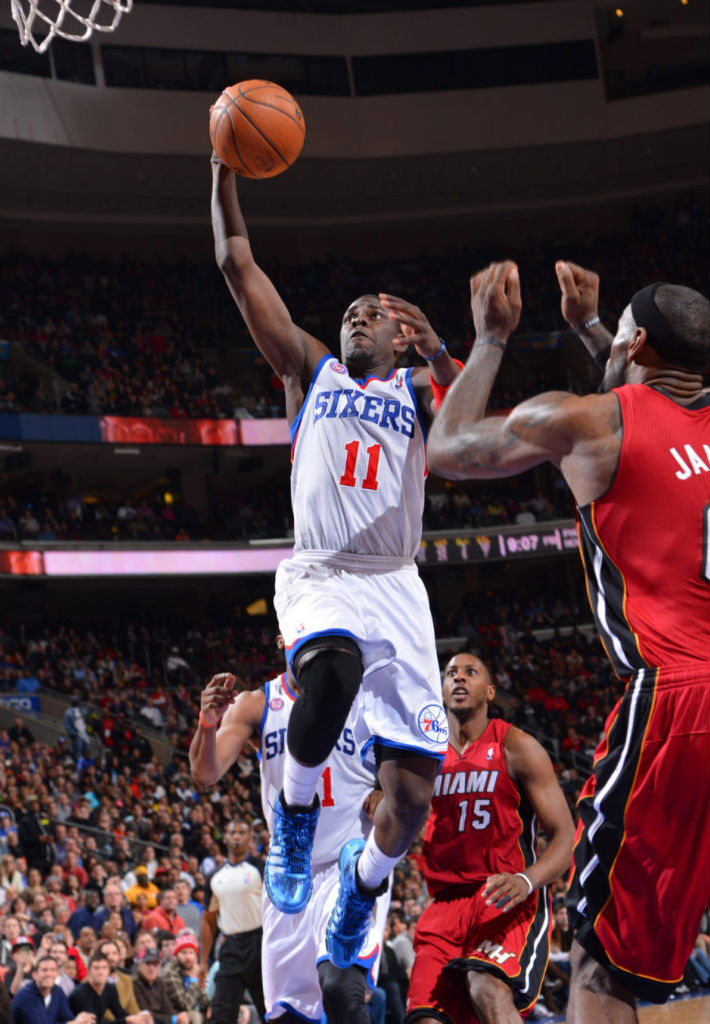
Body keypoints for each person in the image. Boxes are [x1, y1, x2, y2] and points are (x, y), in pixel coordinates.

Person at [426, 260, 710, 1019]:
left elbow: (448, 447)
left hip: (682, 703)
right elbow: (665, 410)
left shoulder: (590, 421)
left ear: (638, 343)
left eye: (616, 333)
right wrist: (595, 328)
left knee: (601, 959)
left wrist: (488, 340)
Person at [209, 153, 459, 965]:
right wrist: (223, 170)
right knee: (333, 670)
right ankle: (295, 811)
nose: (354, 319)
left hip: (397, 584)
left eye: (370, 315)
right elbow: (235, 260)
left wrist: (446, 351)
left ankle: (363, 885)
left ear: (400, 336)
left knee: (412, 796)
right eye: (347, 312)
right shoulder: (307, 370)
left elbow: (469, 432)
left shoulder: (419, 393)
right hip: (321, 572)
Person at [190, 650, 390, 1024]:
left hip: (350, 866)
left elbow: (407, 771)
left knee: (339, 988)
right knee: (289, 1015)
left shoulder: (367, 701)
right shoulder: (258, 703)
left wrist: (384, 789)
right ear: (285, 639)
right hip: (290, 873)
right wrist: (207, 722)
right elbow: (205, 774)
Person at [405, 652, 574, 1024]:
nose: (459, 678)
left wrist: (527, 880)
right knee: (425, 1019)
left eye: (470, 672)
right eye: (451, 673)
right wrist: (380, 795)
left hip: (504, 897)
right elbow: (394, 803)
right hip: (444, 906)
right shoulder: (425, 755)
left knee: (487, 988)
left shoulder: (517, 746)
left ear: (490, 691)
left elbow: (565, 834)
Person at [196, 820, 264, 1024]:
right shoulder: (214, 876)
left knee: (272, 1011)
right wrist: (202, 962)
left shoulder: (261, 868)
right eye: (232, 832)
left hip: (260, 944)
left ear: (250, 837)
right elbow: (208, 919)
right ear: (224, 837)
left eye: (242, 832)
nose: (236, 836)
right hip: (231, 946)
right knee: (221, 1014)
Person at [10, 956, 93, 1024]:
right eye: (44, 970)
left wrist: (82, 1020)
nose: (49, 974)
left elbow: (67, 1017)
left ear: (57, 974)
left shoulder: (58, 991)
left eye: (52, 970)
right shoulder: (24, 996)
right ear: (34, 975)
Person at [159, 934, 209, 1024]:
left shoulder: (190, 968)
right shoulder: (170, 972)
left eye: (191, 953)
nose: (188, 957)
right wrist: (193, 979)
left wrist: (211, 1006)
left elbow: (203, 999)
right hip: (172, 1015)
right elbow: (185, 1006)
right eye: (184, 953)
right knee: (195, 1016)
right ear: (176, 955)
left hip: (188, 1012)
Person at [68, 953, 128, 1024]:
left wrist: (134, 1019)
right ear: (89, 971)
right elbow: (93, 1022)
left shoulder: (110, 988)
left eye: (104, 967)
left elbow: (120, 1014)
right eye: (96, 968)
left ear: (109, 970)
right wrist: (125, 1021)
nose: (101, 972)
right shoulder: (80, 993)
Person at [131, 949, 188, 1024]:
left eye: (155, 964)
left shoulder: (160, 982)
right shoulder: (134, 983)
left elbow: (168, 1008)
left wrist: (178, 1017)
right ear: (139, 965)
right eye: (148, 964)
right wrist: (173, 1019)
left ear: (160, 966)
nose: (152, 968)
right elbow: (146, 1013)